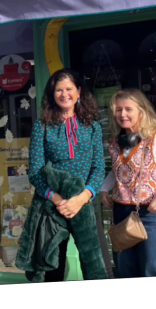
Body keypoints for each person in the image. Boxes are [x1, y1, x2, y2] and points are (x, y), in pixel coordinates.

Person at [28, 69, 107, 281]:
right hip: (53, 209)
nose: (64, 94)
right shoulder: (42, 127)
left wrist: (82, 198)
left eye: (69, 89)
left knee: (98, 267)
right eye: (59, 90)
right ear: (52, 95)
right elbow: (35, 172)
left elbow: (99, 168)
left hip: (85, 205)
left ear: (79, 92)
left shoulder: (92, 127)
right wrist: (58, 200)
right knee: (53, 271)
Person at [100, 89, 156, 278]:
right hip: (120, 214)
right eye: (119, 109)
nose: (123, 114)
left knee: (152, 274)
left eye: (128, 109)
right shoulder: (115, 143)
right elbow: (118, 170)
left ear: (142, 111)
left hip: (149, 215)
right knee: (125, 274)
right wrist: (104, 188)